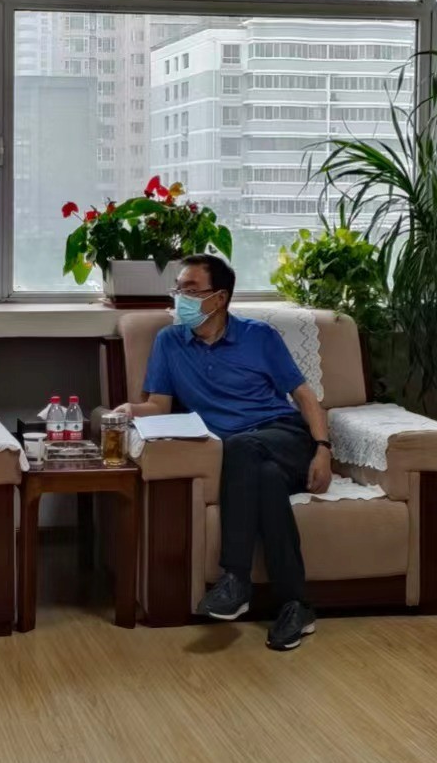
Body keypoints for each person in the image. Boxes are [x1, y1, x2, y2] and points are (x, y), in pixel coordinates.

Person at [113, 253, 333, 651]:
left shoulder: (259, 336)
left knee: (242, 447)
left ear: (220, 298)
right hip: (245, 458)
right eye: (178, 289)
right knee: (264, 479)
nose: (180, 297)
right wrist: (129, 410)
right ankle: (296, 606)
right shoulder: (169, 342)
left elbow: (303, 396)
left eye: (191, 289)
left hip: (284, 436)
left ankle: (235, 579)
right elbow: (159, 405)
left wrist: (322, 449)